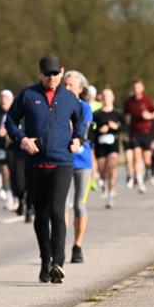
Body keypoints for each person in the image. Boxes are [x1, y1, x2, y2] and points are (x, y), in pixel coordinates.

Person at [6, 55, 86, 284]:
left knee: (57, 212)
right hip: (35, 164)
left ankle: (57, 263)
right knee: (41, 215)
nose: (51, 78)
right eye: (47, 74)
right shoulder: (28, 95)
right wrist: (21, 139)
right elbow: (10, 121)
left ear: (61, 72)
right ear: (39, 73)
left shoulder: (69, 98)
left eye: (55, 73)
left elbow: (80, 121)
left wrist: (78, 139)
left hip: (62, 163)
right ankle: (45, 259)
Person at [63, 71, 93, 264]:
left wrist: (77, 139)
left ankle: (77, 246)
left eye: (70, 85)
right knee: (62, 205)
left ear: (80, 89)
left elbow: (84, 131)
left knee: (79, 205)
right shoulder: (57, 105)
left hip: (81, 161)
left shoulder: (84, 107)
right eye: (65, 85)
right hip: (63, 160)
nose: (66, 88)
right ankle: (61, 246)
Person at [123, 78, 154, 193]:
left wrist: (150, 115)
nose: (136, 89)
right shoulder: (129, 102)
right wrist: (125, 130)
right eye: (134, 87)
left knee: (147, 159)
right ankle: (140, 181)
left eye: (138, 87)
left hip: (147, 132)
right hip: (135, 133)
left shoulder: (147, 100)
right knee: (137, 157)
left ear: (142, 88)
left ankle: (149, 170)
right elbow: (125, 116)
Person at [93, 86, 123, 208]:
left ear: (113, 98)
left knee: (112, 168)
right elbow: (92, 130)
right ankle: (103, 181)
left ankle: (111, 194)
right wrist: (100, 130)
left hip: (113, 144)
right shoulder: (97, 114)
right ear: (101, 98)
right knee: (102, 170)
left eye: (108, 96)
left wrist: (116, 127)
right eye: (104, 96)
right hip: (100, 145)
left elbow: (124, 128)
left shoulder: (117, 113)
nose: (106, 98)